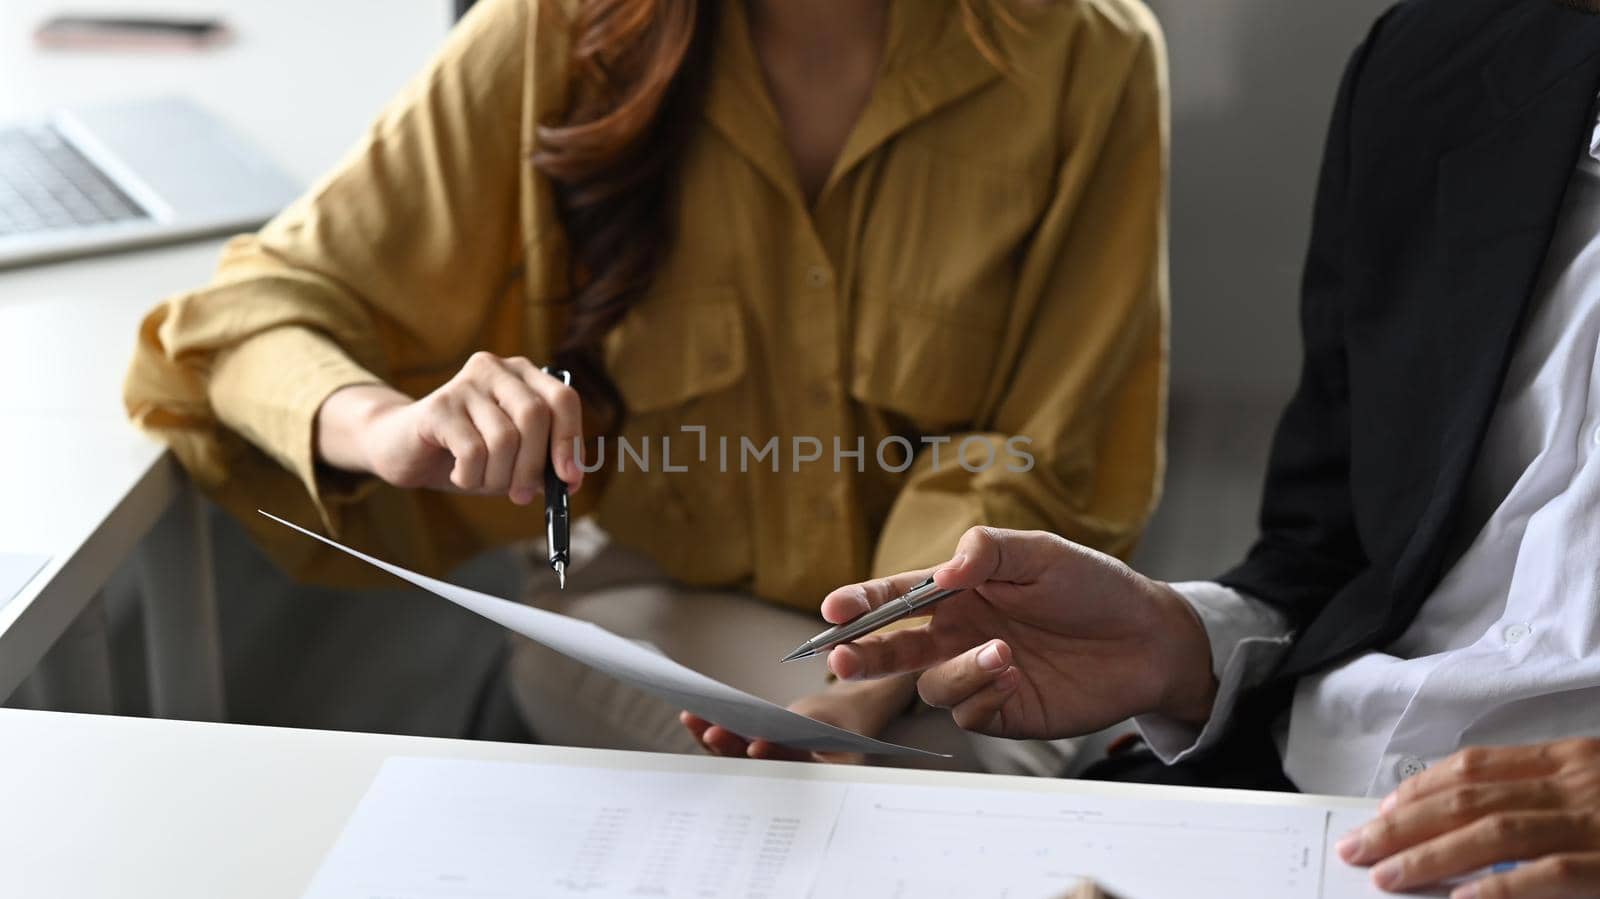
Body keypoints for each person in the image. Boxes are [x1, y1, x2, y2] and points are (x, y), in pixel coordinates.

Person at [692, 0, 1600, 892]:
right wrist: (1182, 643)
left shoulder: (1082, 53)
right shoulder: (1437, 62)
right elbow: (1328, 549)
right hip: (1281, 800)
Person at [122, 0, 1169, 772]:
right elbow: (240, 321)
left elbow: (1041, 452)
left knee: (932, 786)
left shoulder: (1088, 55)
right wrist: (388, 426)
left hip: (953, 616)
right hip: (656, 599)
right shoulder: (554, 34)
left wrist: (862, 689)